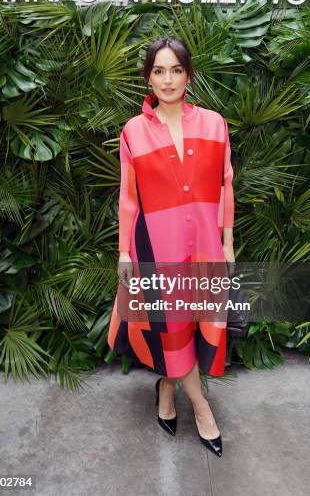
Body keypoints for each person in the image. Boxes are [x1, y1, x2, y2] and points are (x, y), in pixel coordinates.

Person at [108, 36, 235, 458]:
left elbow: (225, 188)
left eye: (176, 70)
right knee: (172, 331)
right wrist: (125, 252)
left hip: (203, 247)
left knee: (198, 328)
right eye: (159, 71)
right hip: (156, 250)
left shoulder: (215, 124)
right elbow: (128, 198)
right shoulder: (134, 131)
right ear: (148, 77)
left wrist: (228, 244)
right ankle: (201, 407)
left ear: (188, 75)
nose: (167, 79)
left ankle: (165, 387)